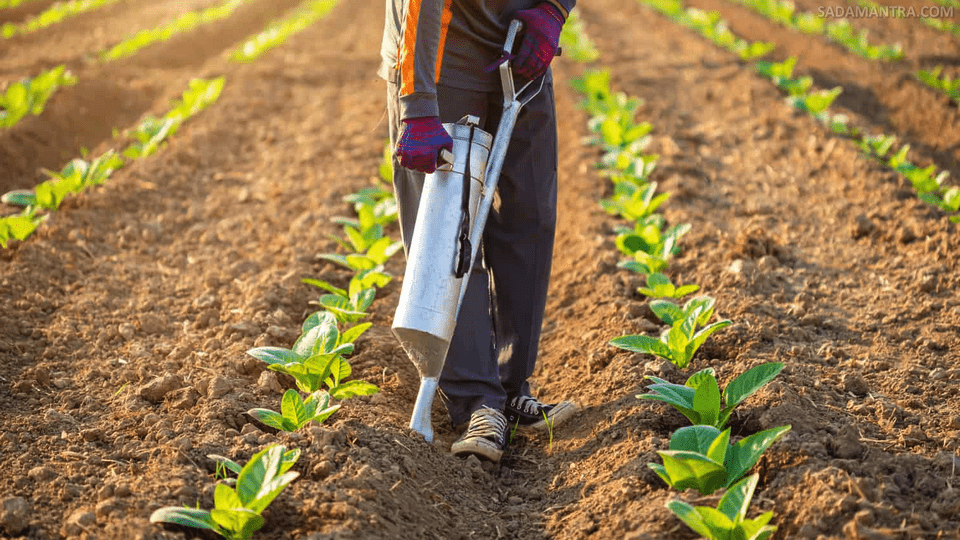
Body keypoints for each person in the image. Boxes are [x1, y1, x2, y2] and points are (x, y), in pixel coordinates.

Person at [380, 0, 578, 463]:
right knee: (451, 229)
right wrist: (418, 105)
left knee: (531, 214)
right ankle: (476, 401)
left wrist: (554, 8)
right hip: (440, 52)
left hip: (523, 42)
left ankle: (511, 387)